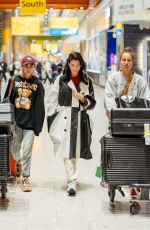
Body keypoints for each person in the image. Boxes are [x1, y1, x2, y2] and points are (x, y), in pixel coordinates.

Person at [47, 52, 96, 196]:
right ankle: (71, 180)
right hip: (64, 119)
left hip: (80, 118)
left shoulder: (87, 81)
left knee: (75, 149)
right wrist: (59, 111)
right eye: (72, 65)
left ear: (81, 65)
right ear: (68, 64)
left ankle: (72, 178)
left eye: (77, 65)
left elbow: (92, 103)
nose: (75, 68)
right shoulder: (60, 80)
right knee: (67, 151)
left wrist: (83, 99)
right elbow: (51, 99)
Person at [104, 47, 150, 196]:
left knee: (140, 150)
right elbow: (109, 99)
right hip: (118, 125)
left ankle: (136, 180)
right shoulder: (113, 79)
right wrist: (117, 115)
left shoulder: (140, 81)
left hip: (137, 127)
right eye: (123, 60)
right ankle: (118, 177)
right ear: (120, 61)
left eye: (128, 60)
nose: (126, 63)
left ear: (132, 62)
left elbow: (147, 101)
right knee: (118, 150)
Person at [4, 55, 45, 192]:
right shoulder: (14, 81)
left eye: (31, 66)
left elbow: (40, 107)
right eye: (26, 65)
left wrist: (37, 127)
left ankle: (26, 177)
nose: (28, 68)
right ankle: (19, 163)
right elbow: (7, 101)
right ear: (22, 66)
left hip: (30, 125)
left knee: (27, 151)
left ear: (33, 68)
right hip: (15, 123)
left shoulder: (38, 84)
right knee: (14, 149)